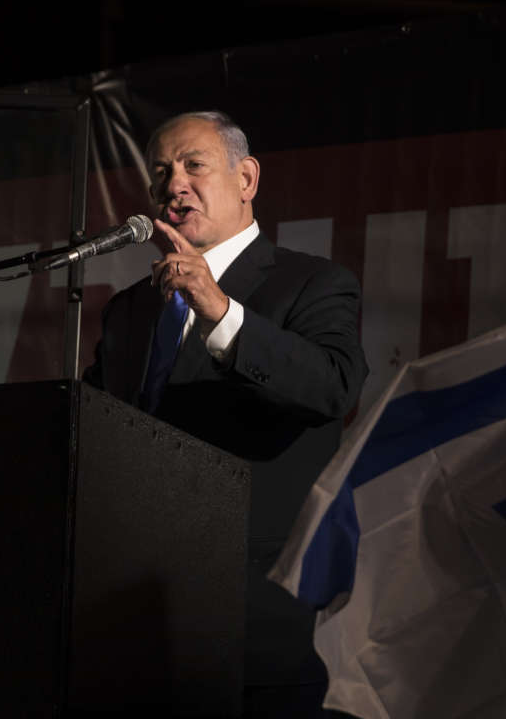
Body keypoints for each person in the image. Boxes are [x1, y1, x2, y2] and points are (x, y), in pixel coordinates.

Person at [83, 110, 368, 717]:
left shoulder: (313, 284)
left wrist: (220, 312)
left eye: (194, 165)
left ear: (246, 179)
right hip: (138, 624)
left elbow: (334, 388)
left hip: (258, 622)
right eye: (161, 171)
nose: (174, 183)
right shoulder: (131, 310)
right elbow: (96, 430)